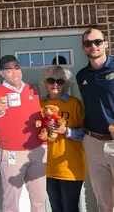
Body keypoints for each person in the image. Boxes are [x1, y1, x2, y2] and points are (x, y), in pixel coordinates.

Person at [0, 55, 46, 212]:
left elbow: (39, 118)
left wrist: (44, 144)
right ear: (2, 73)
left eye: (17, 68)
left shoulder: (32, 90)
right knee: (12, 201)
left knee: (39, 200)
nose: (14, 72)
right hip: (11, 151)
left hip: (36, 151)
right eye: (9, 69)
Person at [76, 27, 114, 212]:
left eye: (98, 41)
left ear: (106, 43)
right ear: (83, 48)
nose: (93, 46)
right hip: (93, 142)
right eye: (88, 43)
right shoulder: (81, 76)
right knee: (103, 199)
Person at [40, 65, 86, 212]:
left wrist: (66, 130)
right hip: (46, 166)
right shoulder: (39, 105)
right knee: (55, 208)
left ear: (65, 83)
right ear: (45, 83)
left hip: (70, 166)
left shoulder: (75, 104)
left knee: (70, 208)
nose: (55, 84)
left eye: (59, 81)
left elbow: (86, 133)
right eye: (51, 80)